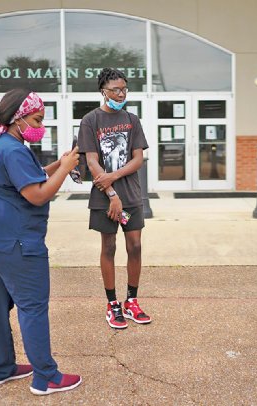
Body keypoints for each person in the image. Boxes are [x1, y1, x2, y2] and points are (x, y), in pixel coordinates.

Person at [0, 89, 82, 395]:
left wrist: (58, 165)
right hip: (14, 239)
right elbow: (36, 195)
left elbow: (32, 177)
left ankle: (1, 368)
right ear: (18, 118)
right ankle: (46, 377)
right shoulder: (12, 149)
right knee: (32, 305)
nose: (41, 126)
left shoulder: (0, 140)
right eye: (37, 119)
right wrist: (65, 168)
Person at [78, 68, 151, 329]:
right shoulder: (90, 120)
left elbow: (138, 158)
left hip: (130, 197)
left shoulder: (132, 120)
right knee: (108, 247)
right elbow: (91, 161)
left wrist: (114, 178)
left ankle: (132, 301)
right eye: (115, 90)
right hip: (103, 200)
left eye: (124, 89)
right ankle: (112, 304)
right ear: (103, 92)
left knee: (135, 246)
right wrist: (111, 193)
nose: (120, 93)